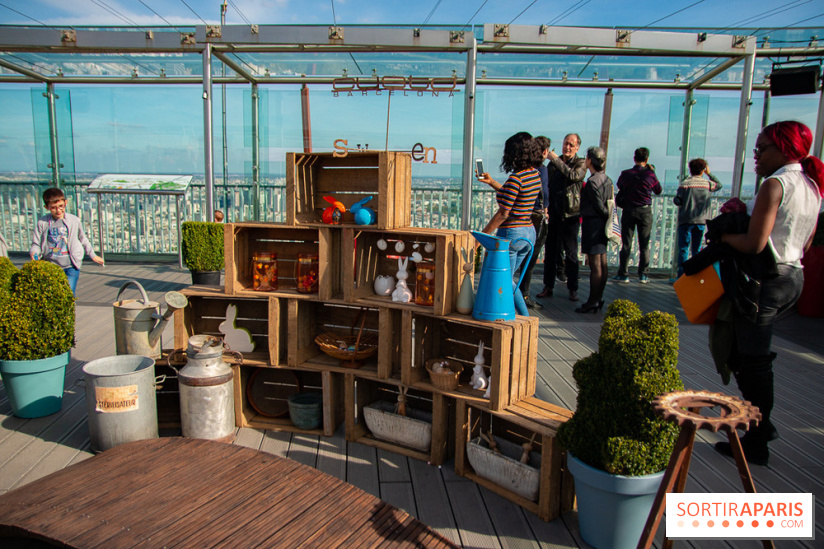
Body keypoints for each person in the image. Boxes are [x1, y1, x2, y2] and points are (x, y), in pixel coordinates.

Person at [713, 120, 823, 467]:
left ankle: (758, 435)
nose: (755, 157)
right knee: (753, 354)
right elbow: (805, 241)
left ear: (784, 149)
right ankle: (760, 426)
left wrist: (723, 238)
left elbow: (755, 242)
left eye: (761, 149)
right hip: (793, 276)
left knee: (751, 359)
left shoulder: (775, 185)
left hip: (764, 280)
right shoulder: (810, 184)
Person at [476, 132, 543, 316]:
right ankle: (516, 313)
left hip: (512, 234)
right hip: (528, 233)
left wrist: (481, 237)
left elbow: (504, 213)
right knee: (510, 278)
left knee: (505, 279)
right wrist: (492, 182)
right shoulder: (533, 175)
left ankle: (523, 316)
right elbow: (515, 196)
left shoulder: (516, 178)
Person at [537, 133, 587, 301]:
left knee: (571, 253)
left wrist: (556, 160)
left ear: (577, 147)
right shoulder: (553, 166)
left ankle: (573, 288)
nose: (567, 147)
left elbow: (573, 176)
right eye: (566, 143)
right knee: (550, 251)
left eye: (571, 145)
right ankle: (548, 286)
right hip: (554, 213)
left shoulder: (580, 164)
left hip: (570, 215)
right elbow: (547, 185)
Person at [30, 187, 104, 295]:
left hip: (71, 265)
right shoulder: (43, 222)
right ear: (47, 207)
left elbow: (83, 239)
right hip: (51, 265)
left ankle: (69, 311)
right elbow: (36, 243)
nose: (58, 210)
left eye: (61, 206)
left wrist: (93, 255)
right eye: (54, 208)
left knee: (68, 293)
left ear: (66, 203)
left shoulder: (74, 220)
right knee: (53, 293)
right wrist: (34, 253)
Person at [612, 147, 662, 284]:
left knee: (626, 243)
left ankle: (623, 273)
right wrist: (651, 171)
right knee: (644, 244)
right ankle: (643, 275)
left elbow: (620, 185)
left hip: (629, 210)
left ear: (634, 158)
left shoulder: (625, 174)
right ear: (647, 159)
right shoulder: (650, 175)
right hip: (645, 211)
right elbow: (658, 190)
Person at [671, 158, 723, 282]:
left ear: (690, 169)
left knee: (683, 248)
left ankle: (681, 276)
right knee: (697, 249)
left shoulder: (685, 184)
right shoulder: (707, 184)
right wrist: (709, 173)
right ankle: (696, 275)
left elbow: (678, 200)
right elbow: (719, 185)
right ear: (703, 170)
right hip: (701, 220)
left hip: (686, 220)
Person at [576, 146, 613, 313]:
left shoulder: (592, 182)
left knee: (595, 264)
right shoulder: (607, 179)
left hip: (593, 224)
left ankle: (593, 300)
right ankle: (598, 298)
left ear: (589, 160)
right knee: (602, 262)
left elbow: (598, 206)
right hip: (603, 225)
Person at [519, 135, 551, 309]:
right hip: (537, 217)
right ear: (545, 152)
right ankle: (523, 294)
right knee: (530, 257)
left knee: (522, 256)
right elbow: (545, 193)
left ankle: (519, 293)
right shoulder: (541, 170)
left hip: (525, 216)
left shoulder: (525, 170)